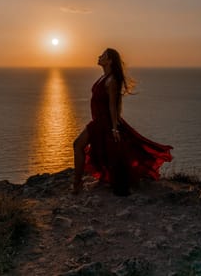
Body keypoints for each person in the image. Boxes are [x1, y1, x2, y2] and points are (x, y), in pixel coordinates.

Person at [73, 48, 173, 195]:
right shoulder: (103, 77)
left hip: (104, 123)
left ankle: (77, 185)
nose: (99, 57)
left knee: (79, 145)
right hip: (98, 121)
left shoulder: (112, 80)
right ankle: (79, 183)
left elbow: (113, 106)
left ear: (110, 61)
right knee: (103, 154)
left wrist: (114, 128)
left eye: (103, 56)